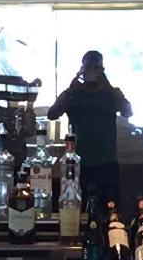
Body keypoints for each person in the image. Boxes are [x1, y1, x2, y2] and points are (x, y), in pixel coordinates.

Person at [47, 50, 132, 222]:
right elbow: (52, 114)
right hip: (79, 163)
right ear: (82, 70)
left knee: (111, 214)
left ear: (102, 70)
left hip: (107, 162)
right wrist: (70, 90)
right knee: (78, 212)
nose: (92, 71)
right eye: (88, 68)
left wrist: (109, 87)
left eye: (96, 68)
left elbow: (128, 111)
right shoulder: (73, 94)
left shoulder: (111, 94)